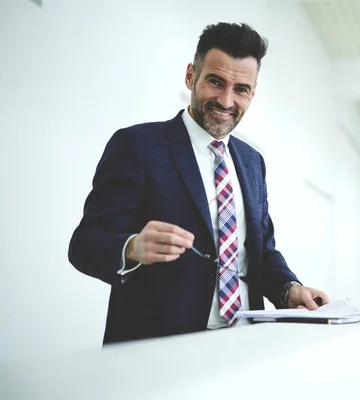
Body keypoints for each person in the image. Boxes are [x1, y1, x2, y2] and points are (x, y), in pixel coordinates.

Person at [68, 22, 329, 345]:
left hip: (245, 343)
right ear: (191, 75)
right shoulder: (137, 146)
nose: (226, 100)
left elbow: (260, 253)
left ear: (253, 92)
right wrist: (132, 247)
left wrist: (289, 289)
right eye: (216, 82)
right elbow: (84, 244)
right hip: (157, 349)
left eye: (241, 89)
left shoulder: (252, 161)